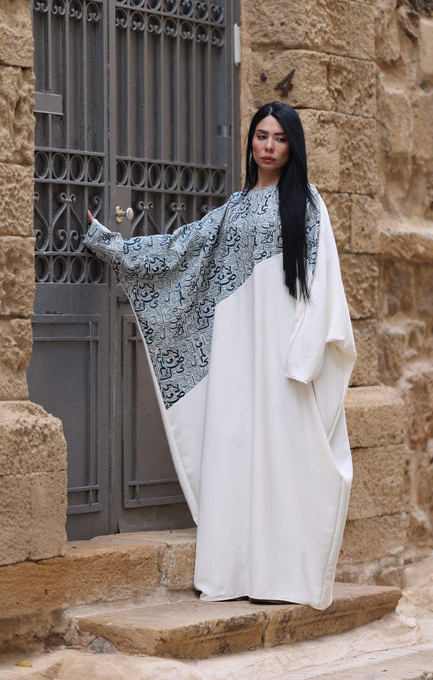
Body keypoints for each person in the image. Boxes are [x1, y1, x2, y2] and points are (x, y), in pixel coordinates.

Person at [84, 101, 356, 610]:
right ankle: (234, 574)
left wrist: (304, 357)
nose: (269, 146)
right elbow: (181, 249)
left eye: (279, 138)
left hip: (286, 358)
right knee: (235, 452)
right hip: (237, 355)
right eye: (261, 136)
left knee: (287, 458)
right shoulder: (233, 208)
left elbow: (323, 283)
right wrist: (111, 244)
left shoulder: (307, 203)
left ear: (292, 146)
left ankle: (285, 577)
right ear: (250, 142)